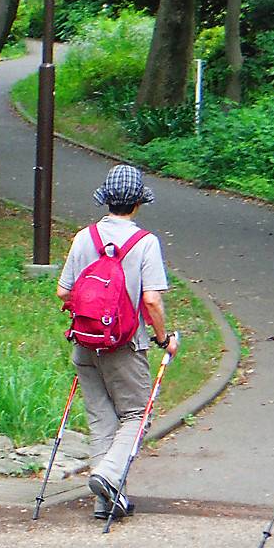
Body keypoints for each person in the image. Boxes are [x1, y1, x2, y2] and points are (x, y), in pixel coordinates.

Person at [57, 164, 179, 520]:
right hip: (125, 346)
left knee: (101, 421)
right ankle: (108, 477)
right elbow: (152, 301)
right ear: (138, 203)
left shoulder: (84, 238)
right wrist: (163, 338)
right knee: (137, 416)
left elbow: (63, 291)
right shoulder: (145, 243)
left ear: (106, 200)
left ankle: (104, 501)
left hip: (84, 344)